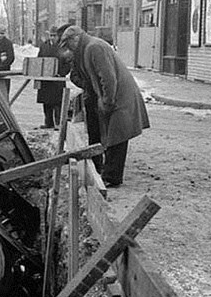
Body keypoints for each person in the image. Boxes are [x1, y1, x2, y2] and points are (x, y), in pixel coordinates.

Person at [59, 25, 150, 188]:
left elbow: (108, 78)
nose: (68, 49)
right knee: (110, 135)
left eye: (68, 44)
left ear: (76, 39)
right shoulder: (87, 49)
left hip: (120, 96)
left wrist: (107, 102)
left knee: (117, 136)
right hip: (113, 95)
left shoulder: (94, 48)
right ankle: (106, 173)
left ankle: (112, 177)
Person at [36, 26, 65, 129]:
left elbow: (67, 62)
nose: (52, 38)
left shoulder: (62, 47)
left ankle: (58, 124)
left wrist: (61, 73)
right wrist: (39, 75)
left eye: (54, 36)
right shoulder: (44, 46)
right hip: (46, 80)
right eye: (51, 35)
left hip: (57, 80)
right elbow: (39, 60)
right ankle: (48, 123)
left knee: (57, 103)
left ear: (58, 36)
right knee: (46, 103)